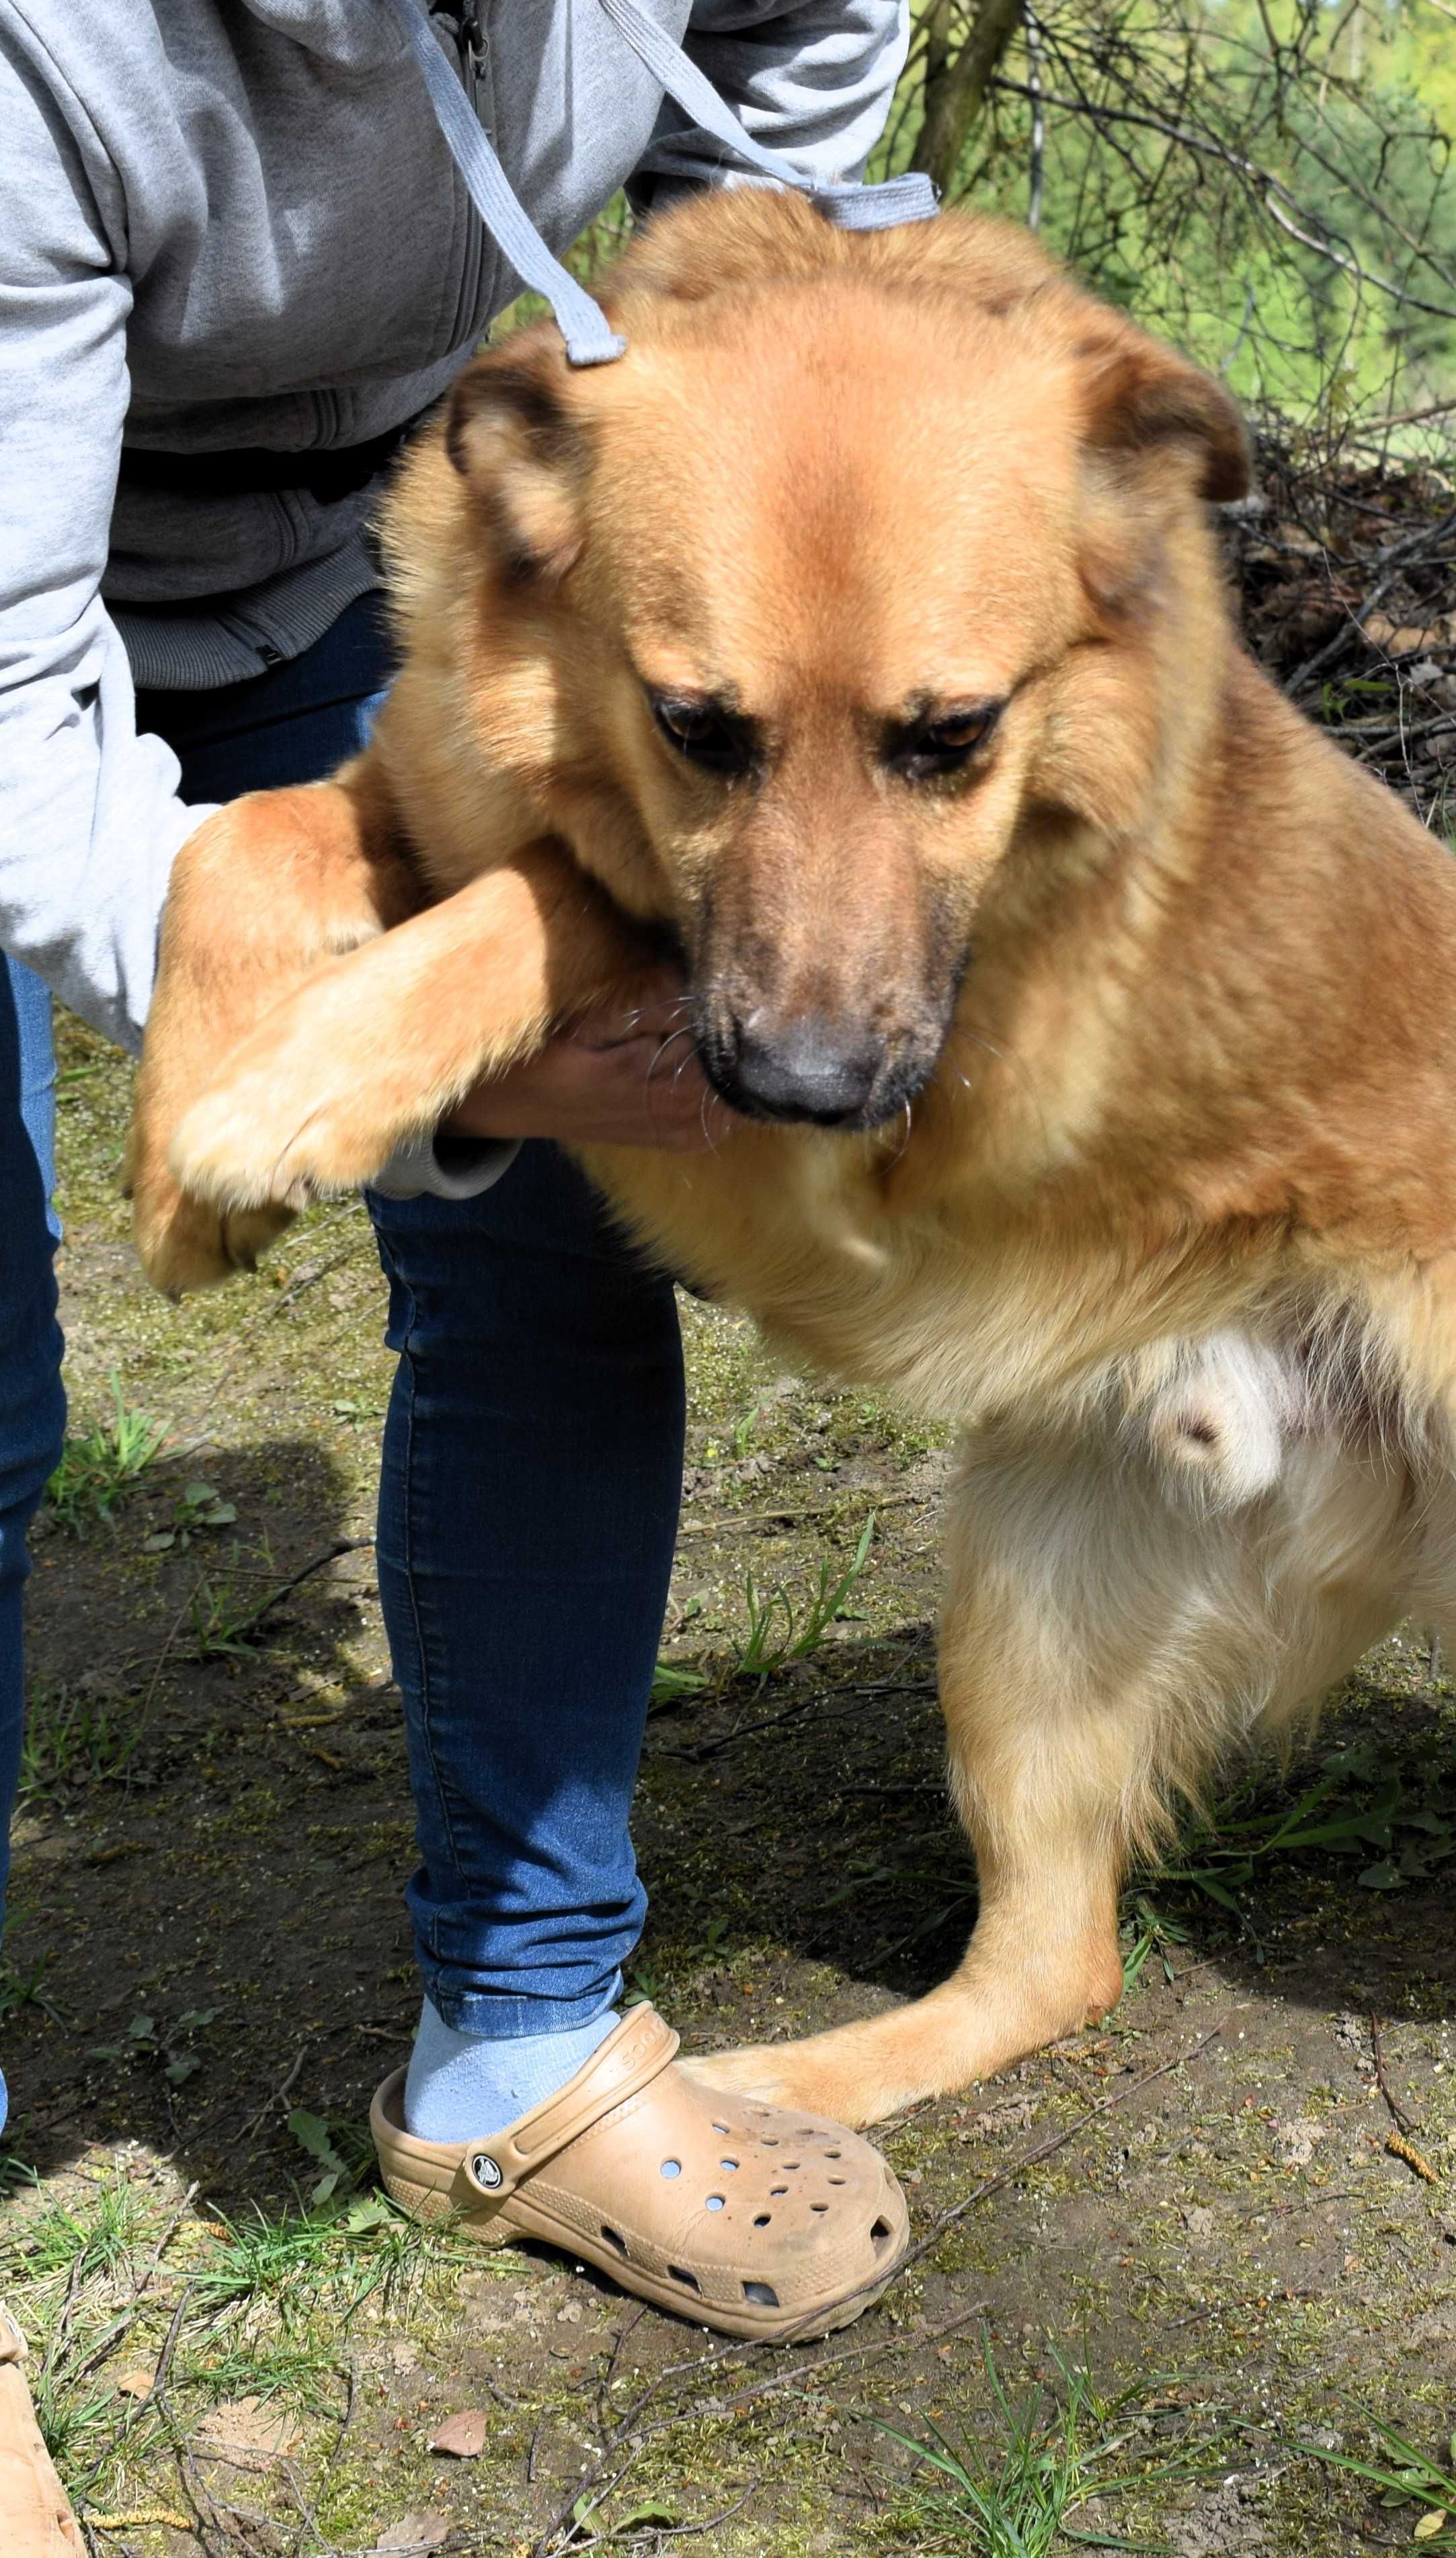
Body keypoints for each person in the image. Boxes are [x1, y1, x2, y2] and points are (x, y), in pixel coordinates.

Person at [0, 0, 932, 2393]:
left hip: (345, 546)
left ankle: (517, 2039)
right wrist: (406, 1070)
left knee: (542, 1250)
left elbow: (795, 150)